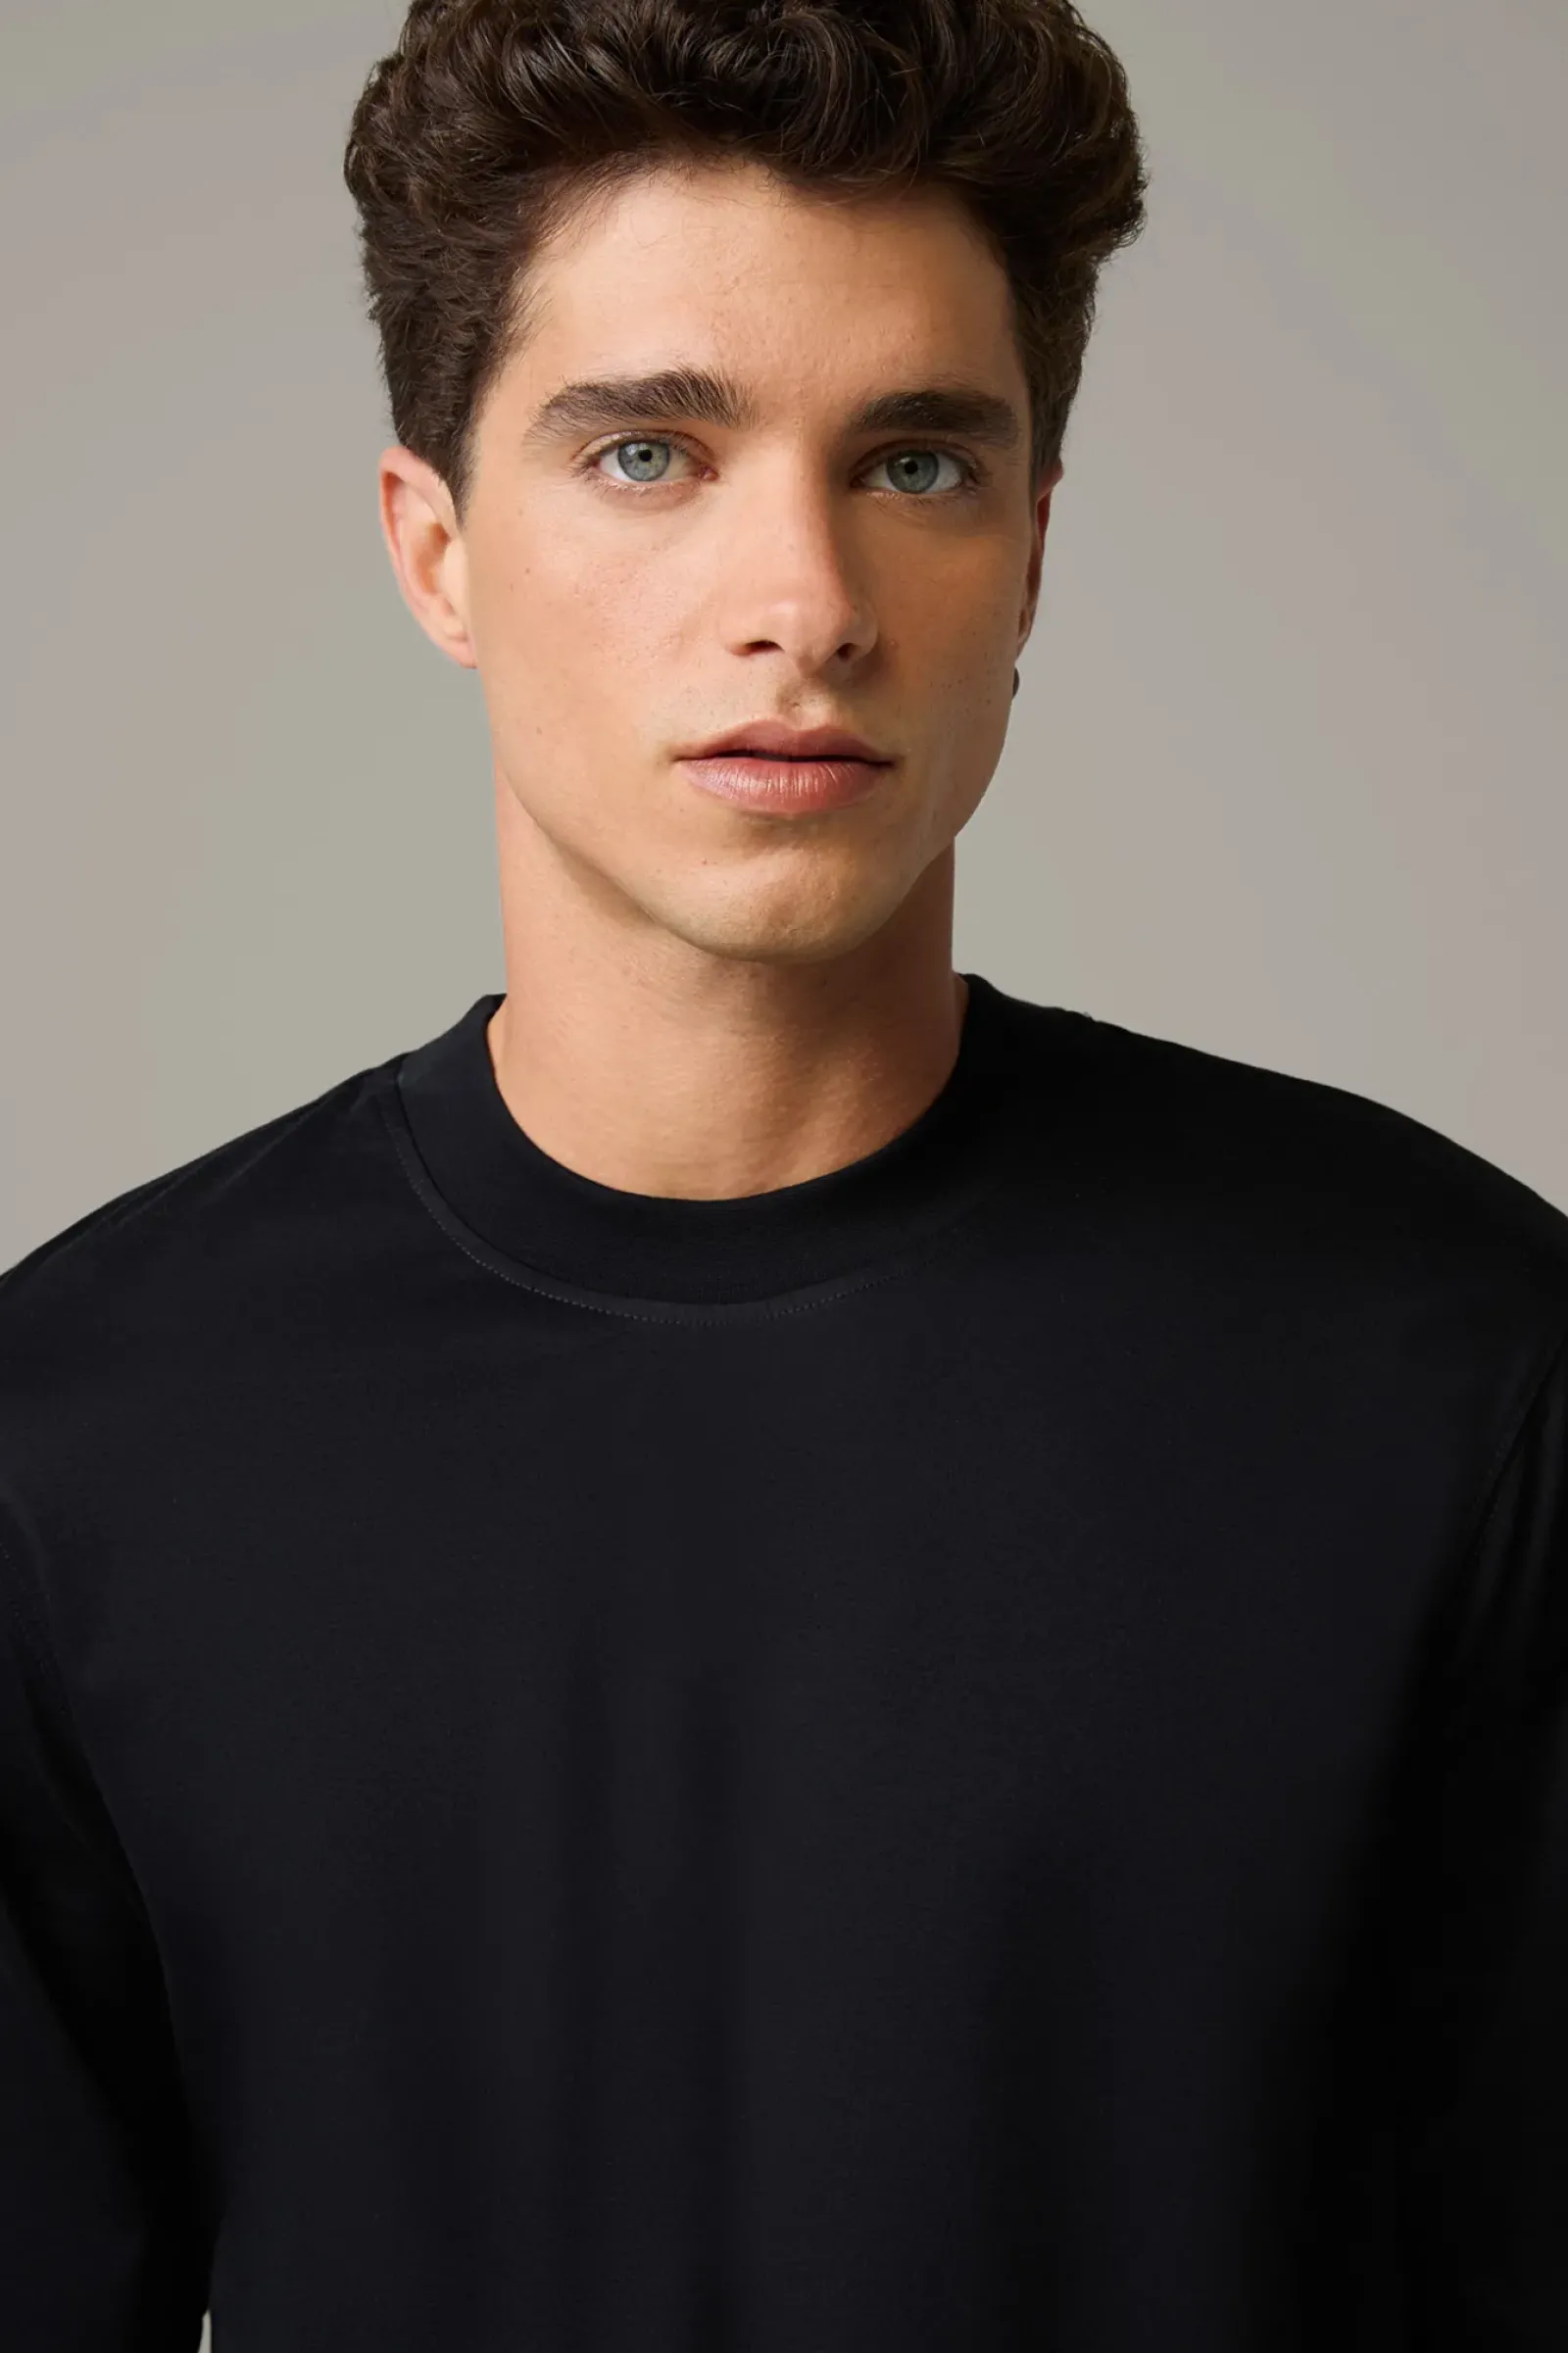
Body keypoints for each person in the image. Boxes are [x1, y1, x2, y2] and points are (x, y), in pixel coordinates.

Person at [2, 1, 1564, 2344]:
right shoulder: (76, 1436)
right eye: (648, 452)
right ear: (435, 550)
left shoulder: (1449, 1370)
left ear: (1030, 552)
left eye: (914, 463)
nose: (806, 603)